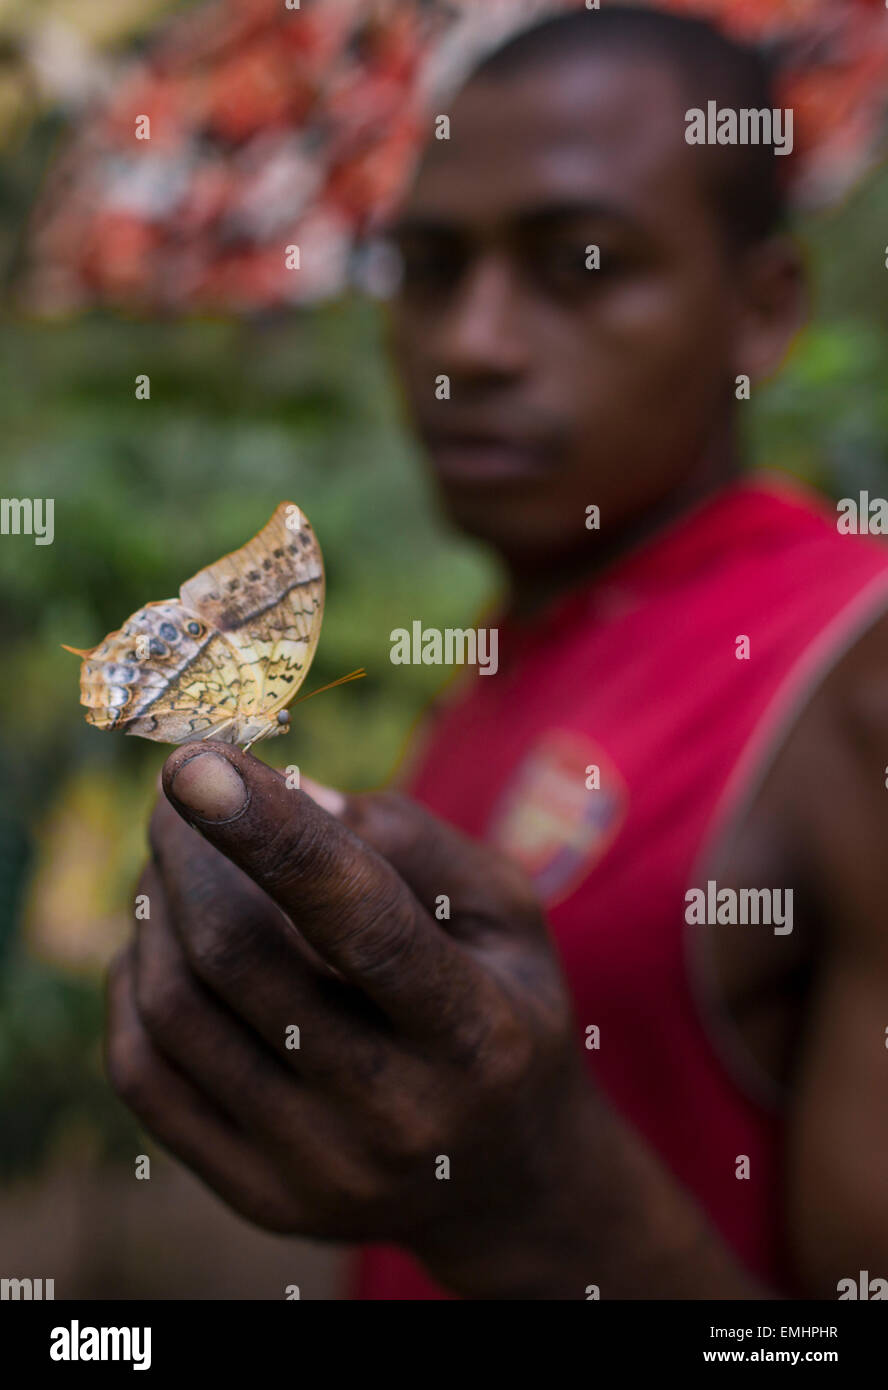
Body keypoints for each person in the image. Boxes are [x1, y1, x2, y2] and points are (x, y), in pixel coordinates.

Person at [105, 6, 888, 1299]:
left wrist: (533, 1197)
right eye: (425, 269)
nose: (469, 345)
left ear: (762, 313)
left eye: (581, 263)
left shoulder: (849, 680)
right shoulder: (523, 650)